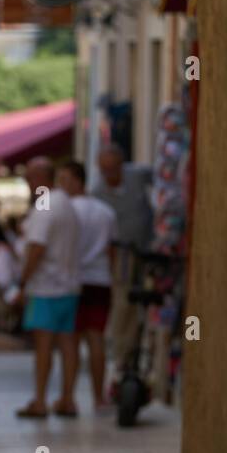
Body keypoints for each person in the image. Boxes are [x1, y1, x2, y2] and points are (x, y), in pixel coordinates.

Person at [15, 156, 81, 419]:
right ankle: (67, 398)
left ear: (41, 178)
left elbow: (37, 247)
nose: (27, 182)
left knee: (43, 345)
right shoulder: (66, 203)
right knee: (67, 343)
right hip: (70, 285)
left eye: (29, 177)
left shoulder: (45, 205)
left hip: (46, 287)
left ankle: (40, 400)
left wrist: (22, 281)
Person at [57, 159, 117, 410]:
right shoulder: (106, 211)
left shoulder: (65, 210)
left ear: (77, 181)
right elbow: (112, 249)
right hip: (100, 279)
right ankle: (98, 397)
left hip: (74, 281)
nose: (61, 186)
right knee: (97, 339)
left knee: (69, 341)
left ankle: (68, 397)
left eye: (65, 180)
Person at [92, 145, 153, 374]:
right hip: (122, 255)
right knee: (123, 301)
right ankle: (120, 354)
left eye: (113, 168)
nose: (109, 174)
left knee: (152, 299)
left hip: (150, 249)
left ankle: (150, 346)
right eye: (104, 170)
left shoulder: (138, 175)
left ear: (122, 166)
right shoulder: (98, 193)